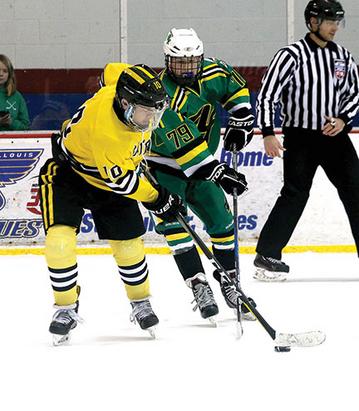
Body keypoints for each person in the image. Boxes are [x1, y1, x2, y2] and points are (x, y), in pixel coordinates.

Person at [39, 64, 184, 344]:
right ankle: (65, 308)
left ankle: (141, 302)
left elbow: (112, 71)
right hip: (70, 175)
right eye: (146, 112)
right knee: (59, 244)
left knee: (129, 246)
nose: (152, 119)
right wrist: (158, 198)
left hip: (110, 172)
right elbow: (124, 184)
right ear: (125, 103)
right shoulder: (110, 134)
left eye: (156, 111)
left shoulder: (124, 88)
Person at [145, 29, 255, 320]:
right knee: (175, 226)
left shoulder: (214, 70)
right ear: (167, 61)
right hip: (165, 167)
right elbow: (182, 142)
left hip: (203, 163)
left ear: (201, 57)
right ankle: (198, 283)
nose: (186, 69)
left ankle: (229, 281)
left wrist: (241, 118)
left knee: (221, 220)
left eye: (192, 62)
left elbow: (236, 88)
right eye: (179, 63)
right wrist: (217, 171)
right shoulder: (160, 93)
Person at [254, 0, 359, 281]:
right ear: (313, 22)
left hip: (335, 137)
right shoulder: (291, 55)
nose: (335, 27)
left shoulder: (343, 57)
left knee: (356, 191)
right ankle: (267, 255)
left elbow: (354, 94)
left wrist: (343, 120)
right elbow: (267, 94)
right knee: (295, 194)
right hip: (300, 137)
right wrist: (267, 132)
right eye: (329, 21)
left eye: (337, 21)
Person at [0, 54, 30, 131]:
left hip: (12, 141)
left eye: (5, 71)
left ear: (9, 74)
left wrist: (11, 122)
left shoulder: (17, 97)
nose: (1, 74)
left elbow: (26, 127)